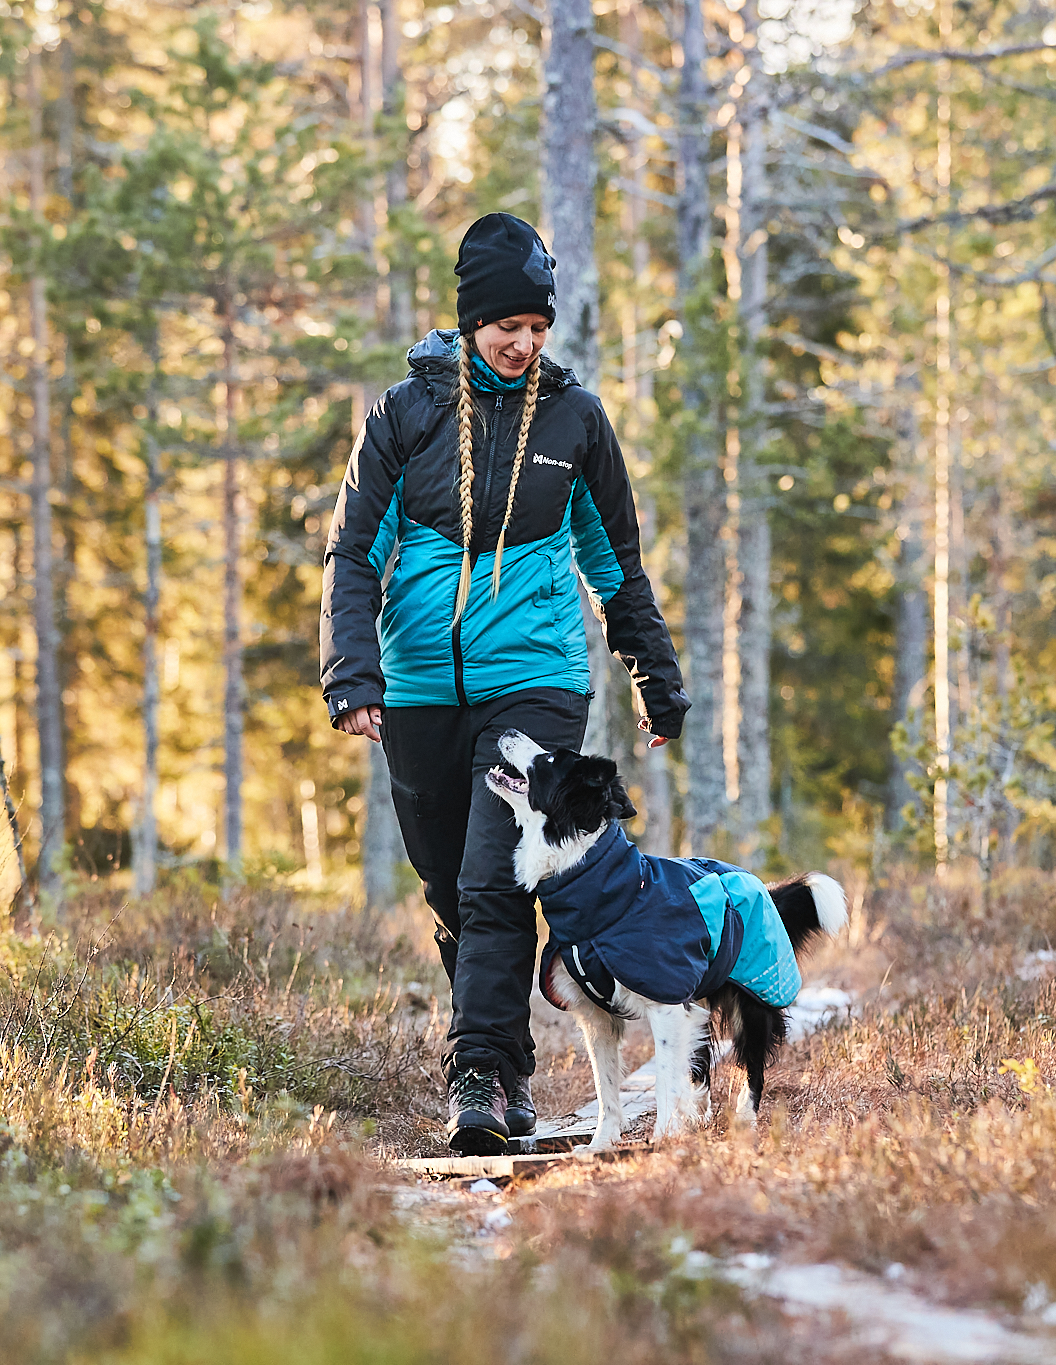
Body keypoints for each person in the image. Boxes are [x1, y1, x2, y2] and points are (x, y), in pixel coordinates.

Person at [320, 212, 688, 1155]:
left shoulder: (575, 421)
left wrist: (653, 673)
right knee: (450, 887)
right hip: (418, 687)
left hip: (535, 677)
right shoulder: (406, 415)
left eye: (537, 327)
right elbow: (353, 551)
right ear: (471, 320)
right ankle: (511, 1066)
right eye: (507, 327)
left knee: (494, 878)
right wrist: (352, 672)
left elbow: (616, 564)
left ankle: (478, 1074)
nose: (524, 344)